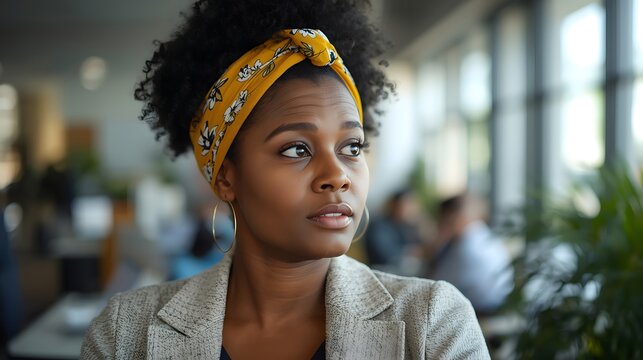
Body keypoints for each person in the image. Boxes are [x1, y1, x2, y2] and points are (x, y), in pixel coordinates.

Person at [80, 0, 489, 358]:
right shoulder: (125, 335)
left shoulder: (433, 325)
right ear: (226, 177)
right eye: (297, 149)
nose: (337, 176)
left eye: (351, 147)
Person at [428, 194, 513, 314]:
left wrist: (436, 245)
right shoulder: (482, 233)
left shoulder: (465, 247)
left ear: (453, 217)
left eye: (442, 218)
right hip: (500, 304)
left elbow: (433, 286)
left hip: (481, 311)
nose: (440, 224)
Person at [365, 188, 430, 276]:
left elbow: (426, 248)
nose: (411, 209)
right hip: (382, 272)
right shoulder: (379, 225)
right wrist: (412, 251)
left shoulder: (406, 226)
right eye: (407, 204)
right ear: (394, 205)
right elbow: (386, 255)